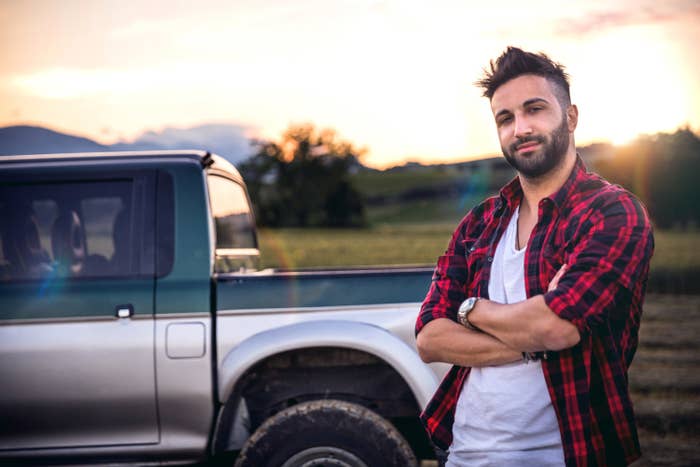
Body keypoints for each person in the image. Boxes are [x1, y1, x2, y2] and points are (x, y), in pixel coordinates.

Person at [415, 46, 654, 466]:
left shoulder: (611, 212)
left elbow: (556, 329)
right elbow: (430, 339)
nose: (520, 128)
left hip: (567, 453)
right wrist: (529, 333)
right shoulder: (479, 223)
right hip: (467, 453)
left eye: (535, 109)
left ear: (571, 117)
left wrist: (469, 311)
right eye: (505, 118)